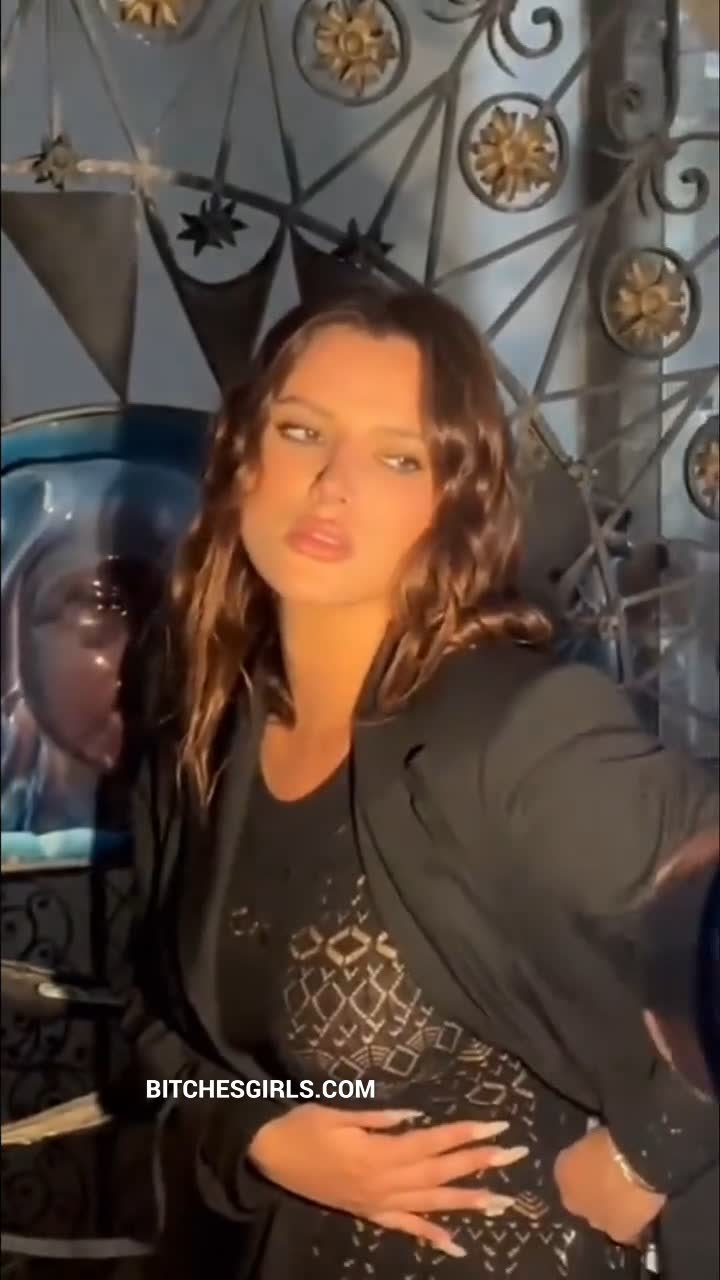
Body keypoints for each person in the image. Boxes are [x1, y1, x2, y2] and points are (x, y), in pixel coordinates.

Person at [121, 285, 719, 1279]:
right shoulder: (204, 732)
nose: (332, 484)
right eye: (303, 431)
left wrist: (650, 1151)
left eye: (398, 457)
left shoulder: (518, 730)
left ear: (454, 502)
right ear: (242, 454)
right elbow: (153, 1028)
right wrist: (258, 1129)